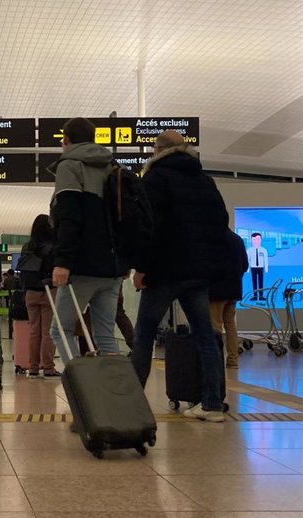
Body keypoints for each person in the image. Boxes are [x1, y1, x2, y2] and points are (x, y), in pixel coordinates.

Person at [131, 130, 230, 422]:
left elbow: (150, 228)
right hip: (197, 272)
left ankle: (133, 402)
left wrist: (142, 268)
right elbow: (219, 226)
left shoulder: (155, 179)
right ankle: (212, 405)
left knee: (144, 335)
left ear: (160, 150)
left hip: (164, 271)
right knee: (205, 336)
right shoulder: (206, 181)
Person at [47, 117, 127, 363]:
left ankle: (79, 389)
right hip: (113, 268)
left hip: (83, 266)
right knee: (105, 335)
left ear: (66, 140)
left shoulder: (69, 165)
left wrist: (63, 261)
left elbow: (70, 217)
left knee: (60, 329)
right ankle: (111, 392)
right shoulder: (113, 167)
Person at [20, 214, 59, 379]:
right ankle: (49, 368)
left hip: (30, 293)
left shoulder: (27, 247)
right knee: (47, 332)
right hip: (48, 291)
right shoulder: (52, 246)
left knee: (34, 331)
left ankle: (33, 368)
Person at [210, 229, 249, 369]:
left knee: (215, 326)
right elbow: (245, 265)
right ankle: (233, 360)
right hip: (234, 290)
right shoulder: (237, 240)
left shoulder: (212, 239)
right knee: (231, 326)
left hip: (216, 291)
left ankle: (216, 361)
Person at [246, 232, 268, 300]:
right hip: (253, 268)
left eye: (258, 239)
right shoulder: (249, 250)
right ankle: (255, 296)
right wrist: (247, 268)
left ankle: (261, 296)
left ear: (261, 240)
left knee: (261, 282)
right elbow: (247, 260)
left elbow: (266, 259)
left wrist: (266, 268)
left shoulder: (264, 250)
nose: (256, 241)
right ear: (251, 240)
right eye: (254, 239)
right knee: (254, 282)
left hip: (261, 268)